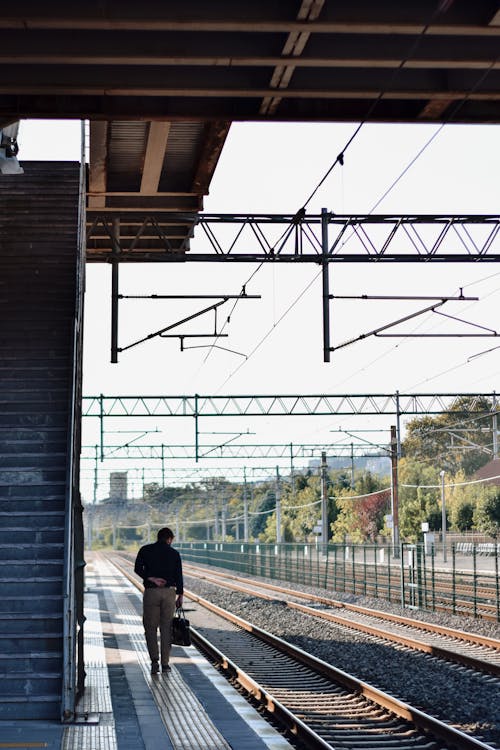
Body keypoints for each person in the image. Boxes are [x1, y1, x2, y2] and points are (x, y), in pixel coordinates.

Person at [134, 527, 184, 674]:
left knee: (150, 627)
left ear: (158, 537)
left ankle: (154, 661)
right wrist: (180, 595)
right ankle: (165, 664)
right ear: (169, 539)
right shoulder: (174, 553)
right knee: (166, 628)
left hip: (151, 592)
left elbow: (137, 568)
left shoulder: (145, 550)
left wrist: (151, 578)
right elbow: (179, 575)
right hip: (169, 592)